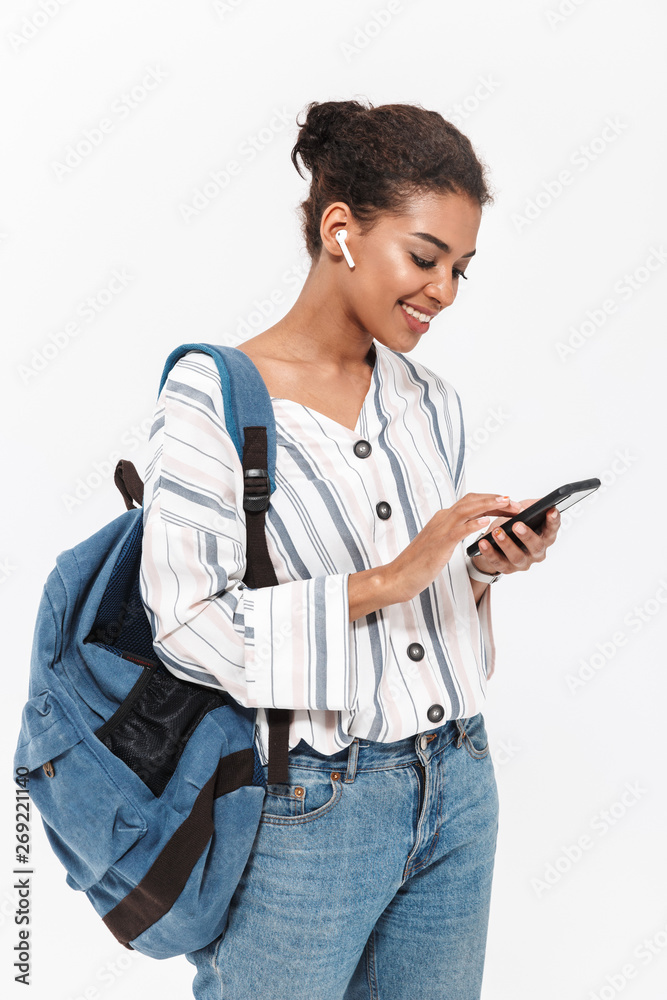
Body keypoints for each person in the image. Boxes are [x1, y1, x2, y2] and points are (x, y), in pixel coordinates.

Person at [139, 99, 561, 1000]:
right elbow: (184, 623)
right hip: (310, 802)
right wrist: (386, 579)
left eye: (461, 269)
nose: (443, 291)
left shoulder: (429, 401)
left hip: (457, 781)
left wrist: (478, 571)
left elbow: (427, 602)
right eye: (424, 257)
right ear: (341, 230)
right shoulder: (213, 396)